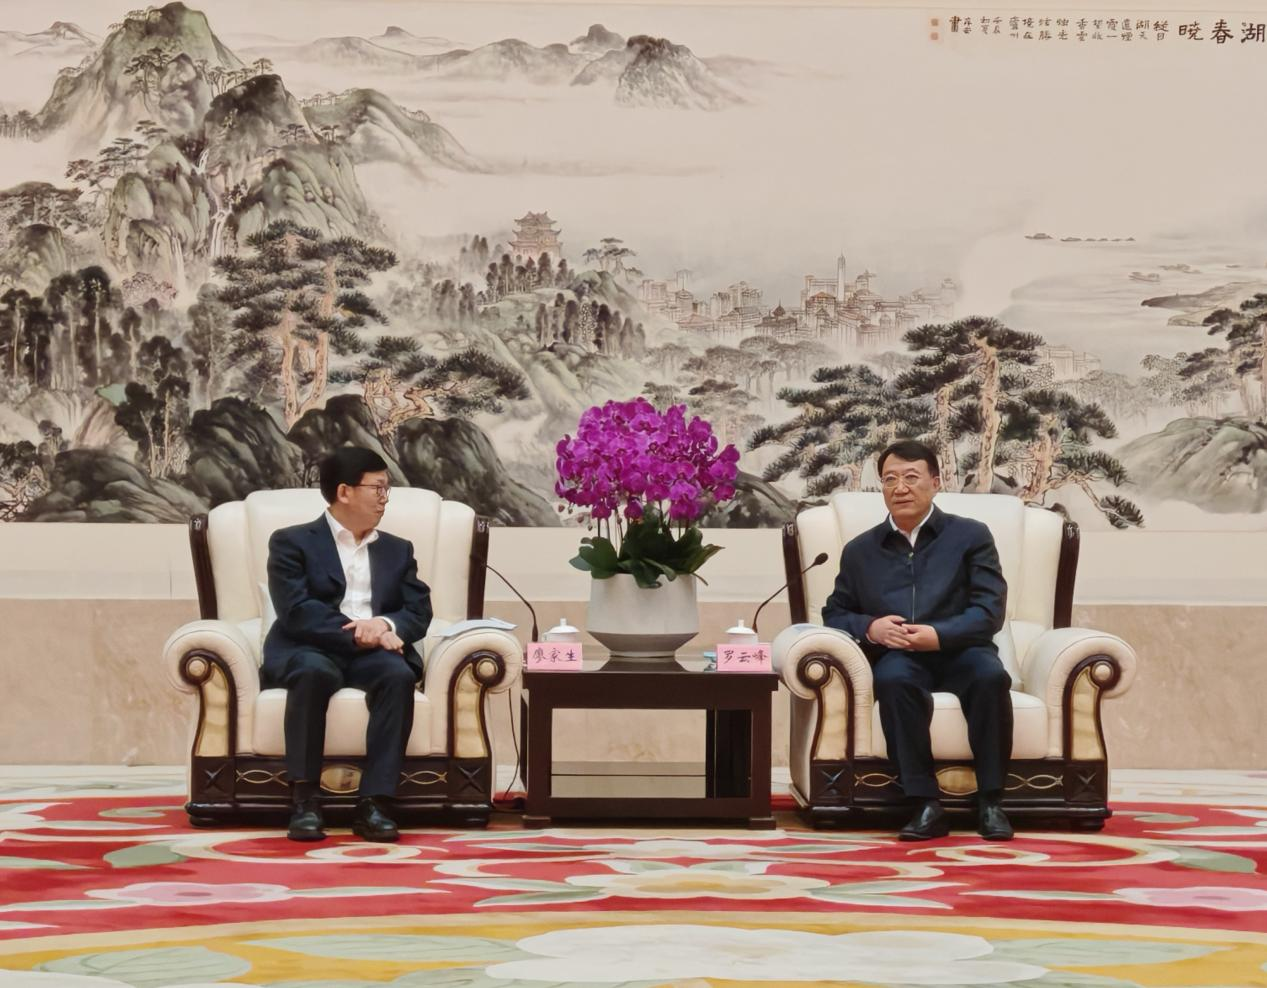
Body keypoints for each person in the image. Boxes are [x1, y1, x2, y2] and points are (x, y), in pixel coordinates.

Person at [822, 439, 1013, 841]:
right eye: (890, 479)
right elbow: (835, 613)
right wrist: (871, 628)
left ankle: (991, 801)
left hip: (962, 649)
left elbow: (989, 611)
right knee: (893, 681)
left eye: (911, 477)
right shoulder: (860, 551)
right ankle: (925, 804)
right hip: (899, 655)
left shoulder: (970, 536)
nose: (900, 488)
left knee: (990, 677)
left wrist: (938, 635)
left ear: (936, 482)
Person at [262, 447, 432, 842]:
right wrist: (359, 631)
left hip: (374, 652)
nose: (384, 498)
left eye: (387, 490)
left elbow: (419, 609)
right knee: (312, 673)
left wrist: (384, 624)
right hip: (311, 646)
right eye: (378, 488)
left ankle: (375, 803)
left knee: (397, 676)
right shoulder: (291, 542)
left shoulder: (397, 549)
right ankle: (305, 800)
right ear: (344, 491)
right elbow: (296, 610)